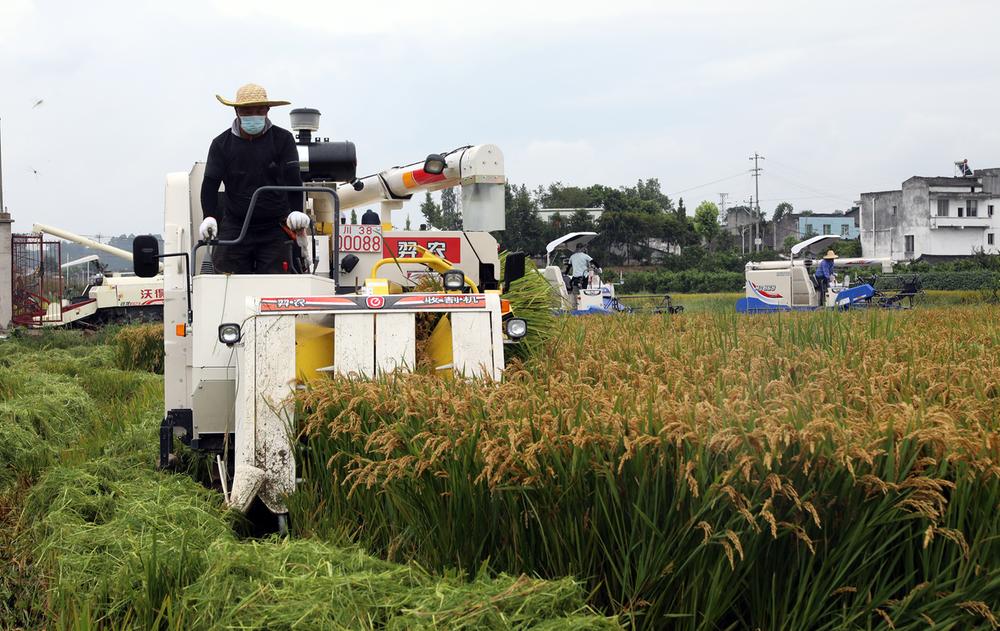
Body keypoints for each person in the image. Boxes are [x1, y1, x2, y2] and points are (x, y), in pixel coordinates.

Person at [198, 83, 310, 274]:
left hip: (276, 226)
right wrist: (209, 216)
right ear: (237, 111)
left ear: (267, 111)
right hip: (235, 224)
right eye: (247, 111)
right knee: (223, 280)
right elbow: (209, 184)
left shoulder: (283, 139)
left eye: (259, 110)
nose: (254, 115)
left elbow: (293, 181)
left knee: (281, 282)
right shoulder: (221, 144)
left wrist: (296, 212)